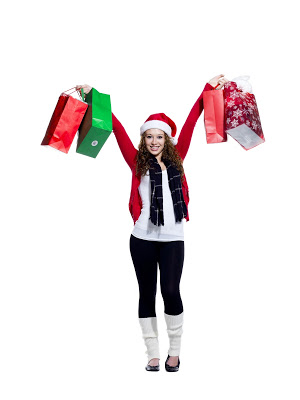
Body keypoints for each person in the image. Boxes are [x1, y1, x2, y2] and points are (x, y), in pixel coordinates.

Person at [76, 74, 229, 372]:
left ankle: (175, 350)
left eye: (159, 136)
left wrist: (208, 90)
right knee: (146, 292)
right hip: (142, 238)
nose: (155, 141)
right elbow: (115, 127)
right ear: (143, 140)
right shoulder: (136, 161)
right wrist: (93, 95)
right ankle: (152, 353)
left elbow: (191, 121)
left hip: (173, 238)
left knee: (170, 290)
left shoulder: (178, 159)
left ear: (166, 140)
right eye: (149, 136)